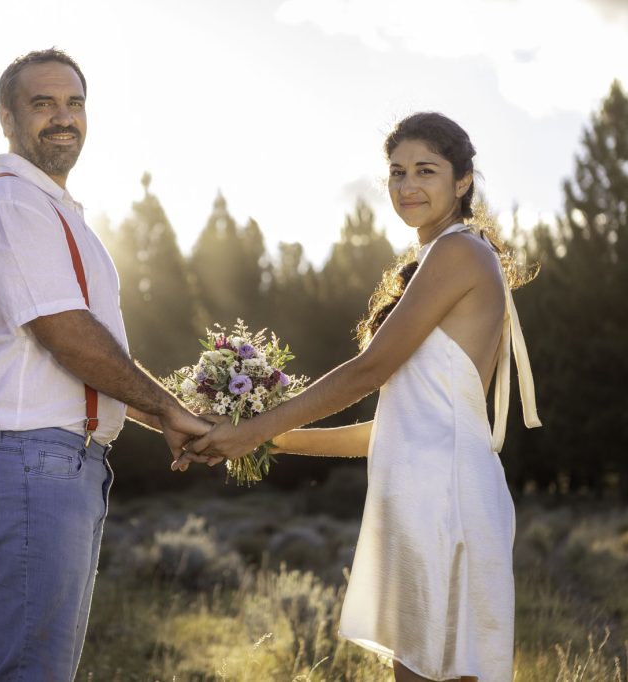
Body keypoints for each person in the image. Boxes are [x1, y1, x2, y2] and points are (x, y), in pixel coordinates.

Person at [182, 112, 541, 682]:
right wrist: (264, 441)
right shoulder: (438, 259)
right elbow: (385, 431)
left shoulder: (459, 254)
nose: (407, 185)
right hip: (424, 492)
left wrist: (251, 429)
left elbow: (368, 371)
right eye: (397, 172)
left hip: (444, 498)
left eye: (426, 170)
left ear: (463, 181)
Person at [0, 48, 209, 681]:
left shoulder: (55, 210)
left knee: (43, 670)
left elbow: (96, 358)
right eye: (43, 104)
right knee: (31, 673)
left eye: (74, 103)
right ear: (7, 118)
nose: (63, 117)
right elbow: (67, 337)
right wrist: (169, 408)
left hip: (56, 462)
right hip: (25, 459)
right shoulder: (11, 204)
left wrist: (167, 418)